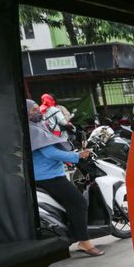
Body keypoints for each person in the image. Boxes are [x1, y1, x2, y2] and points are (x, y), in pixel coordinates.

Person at [27, 100, 103, 257]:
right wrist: (76, 156)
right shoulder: (32, 129)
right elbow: (51, 153)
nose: (37, 112)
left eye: (37, 108)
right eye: (33, 110)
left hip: (47, 174)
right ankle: (84, 241)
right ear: (26, 113)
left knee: (70, 204)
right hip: (48, 177)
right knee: (79, 202)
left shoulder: (38, 126)